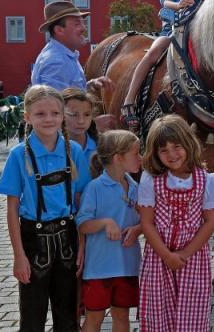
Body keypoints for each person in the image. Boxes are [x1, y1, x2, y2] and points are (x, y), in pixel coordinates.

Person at [0, 85, 92, 331]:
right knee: (32, 315)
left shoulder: (75, 152)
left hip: (68, 236)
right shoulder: (19, 155)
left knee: (68, 314)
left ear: (62, 116)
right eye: (40, 114)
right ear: (27, 117)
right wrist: (19, 256)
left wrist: (82, 244)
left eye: (54, 113)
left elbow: (81, 203)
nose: (48, 119)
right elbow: (12, 209)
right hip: (33, 239)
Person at [137, 114, 214, 331]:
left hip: (193, 257)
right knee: (158, 313)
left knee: (192, 314)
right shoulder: (150, 179)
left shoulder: (209, 181)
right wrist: (167, 255)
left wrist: (183, 255)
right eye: (163, 150)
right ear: (155, 153)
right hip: (159, 256)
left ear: (188, 143)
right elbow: (147, 223)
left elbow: (210, 222)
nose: (171, 154)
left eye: (176, 147)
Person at [120, 0, 212, 133]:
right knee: (154, 52)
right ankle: (129, 99)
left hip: (199, 35)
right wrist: (177, 5)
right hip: (174, 29)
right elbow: (165, 1)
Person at [76, 130, 143, 332]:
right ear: (118, 158)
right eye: (136, 153)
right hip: (99, 268)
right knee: (93, 319)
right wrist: (106, 222)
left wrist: (138, 229)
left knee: (122, 317)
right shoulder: (95, 188)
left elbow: (146, 221)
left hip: (128, 266)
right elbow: (82, 224)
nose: (141, 157)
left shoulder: (135, 187)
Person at [31, 1, 114, 96]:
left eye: (83, 23)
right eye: (77, 24)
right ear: (59, 30)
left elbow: (69, 94)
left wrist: (91, 85)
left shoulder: (63, 56)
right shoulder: (55, 62)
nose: (84, 28)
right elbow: (58, 107)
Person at [62, 88, 99, 160]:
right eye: (74, 115)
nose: (81, 121)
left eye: (87, 114)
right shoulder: (53, 146)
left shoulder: (102, 145)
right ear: (60, 115)